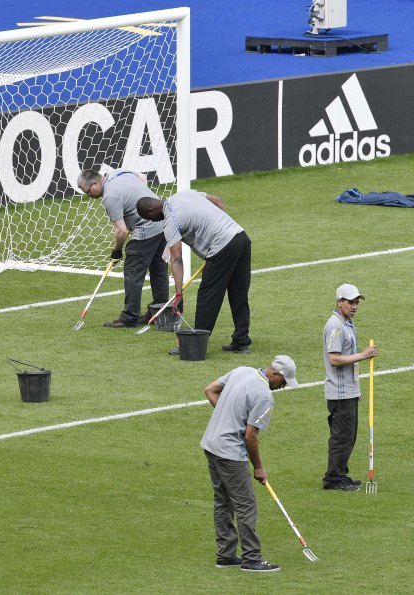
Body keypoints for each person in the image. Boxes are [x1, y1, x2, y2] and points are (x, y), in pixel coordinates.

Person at [201, 355, 299, 573]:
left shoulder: (242, 370)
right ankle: (252, 558)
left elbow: (210, 389)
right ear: (274, 374)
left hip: (211, 444)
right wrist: (258, 467)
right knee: (246, 505)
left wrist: (227, 416)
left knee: (223, 502)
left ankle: (225, 555)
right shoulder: (264, 396)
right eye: (282, 382)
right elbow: (250, 436)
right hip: (229, 453)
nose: (282, 388)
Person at [136, 190, 252, 355]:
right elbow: (218, 201)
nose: (155, 221)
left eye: (151, 219)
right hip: (240, 237)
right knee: (238, 294)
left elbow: (177, 259)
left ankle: (195, 344)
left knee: (207, 296)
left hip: (221, 247)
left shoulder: (170, 221)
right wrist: (224, 229)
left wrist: (178, 293)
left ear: (151, 211)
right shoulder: (184, 194)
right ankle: (241, 342)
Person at [77, 168, 169, 327]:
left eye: (88, 192)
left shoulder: (110, 196)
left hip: (146, 230)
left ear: (95, 183)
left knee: (132, 272)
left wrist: (117, 251)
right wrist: (141, 203)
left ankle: (129, 317)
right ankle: (159, 311)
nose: (89, 196)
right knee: (159, 269)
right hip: (163, 223)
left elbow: (121, 231)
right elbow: (143, 177)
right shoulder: (118, 172)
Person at [322, 283, 378, 491]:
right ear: (339, 302)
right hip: (340, 392)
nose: (354, 306)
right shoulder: (336, 326)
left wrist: (356, 387)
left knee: (349, 435)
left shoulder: (346, 323)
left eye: (356, 302)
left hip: (348, 390)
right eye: (350, 302)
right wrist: (364, 355)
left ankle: (340, 474)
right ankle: (333, 479)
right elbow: (335, 359)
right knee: (342, 436)